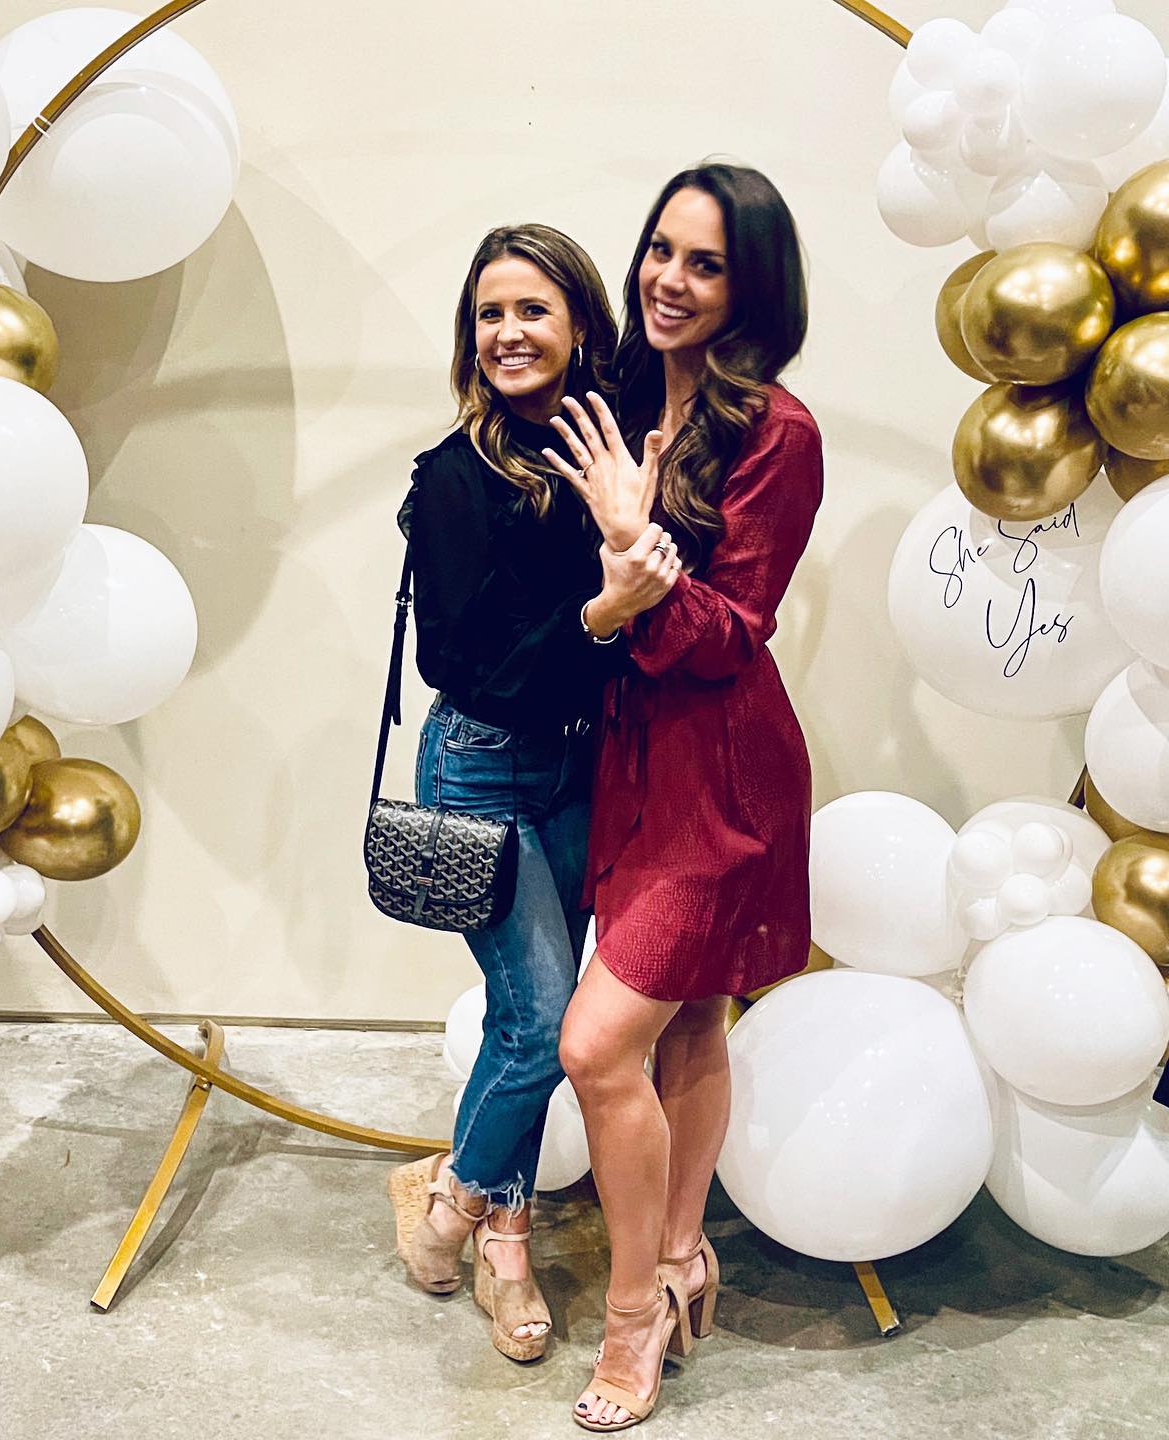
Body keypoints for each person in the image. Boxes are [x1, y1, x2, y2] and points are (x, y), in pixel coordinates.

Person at [540, 164, 823, 1430]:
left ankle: (632, 1318)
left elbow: (731, 633)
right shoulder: (615, 392)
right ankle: (680, 1256)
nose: (670, 279)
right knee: (690, 1022)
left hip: (724, 773)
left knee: (596, 1045)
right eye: (662, 249)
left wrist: (637, 547)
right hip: (630, 760)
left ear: (751, 287)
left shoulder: (779, 432)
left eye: (706, 263)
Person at [385, 224, 678, 1363]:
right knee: (545, 1023)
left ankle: (503, 1240)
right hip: (481, 764)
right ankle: (457, 1204)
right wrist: (601, 614)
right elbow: (463, 665)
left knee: (532, 1020)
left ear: (580, 327)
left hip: (580, 768)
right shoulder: (453, 480)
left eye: (532, 310)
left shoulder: (606, 450)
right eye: (489, 314)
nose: (507, 333)